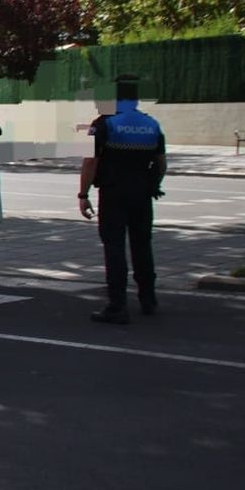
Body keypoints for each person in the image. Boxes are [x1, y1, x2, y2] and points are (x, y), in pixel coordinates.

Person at [79, 75, 166, 324]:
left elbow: (90, 161)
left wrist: (83, 195)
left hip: (113, 192)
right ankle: (148, 299)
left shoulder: (104, 124)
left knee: (114, 246)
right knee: (142, 245)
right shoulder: (151, 124)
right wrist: (153, 185)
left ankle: (117, 305)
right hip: (142, 193)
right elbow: (161, 163)